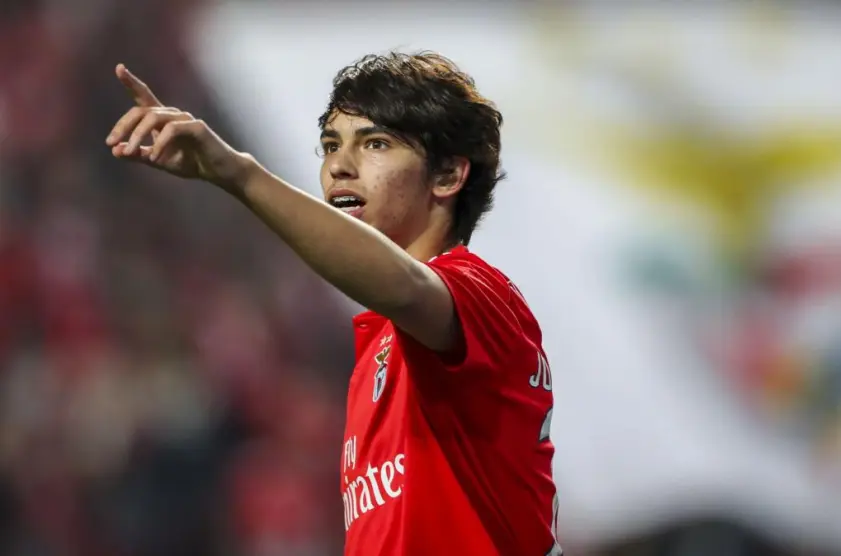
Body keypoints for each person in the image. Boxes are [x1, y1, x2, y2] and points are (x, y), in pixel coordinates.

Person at [105, 51, 561, 555]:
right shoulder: (378, 351)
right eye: (330, 146)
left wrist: (239, 174)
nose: (338, 166)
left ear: (447, 175)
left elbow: (407, 286)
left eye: (375, 144)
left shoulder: (481, 293)